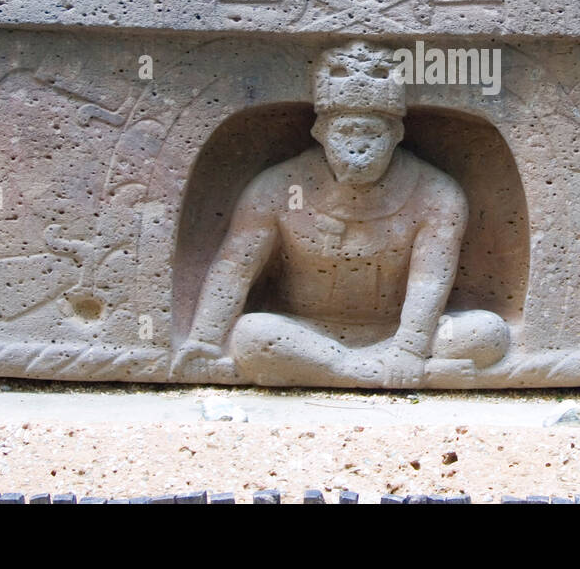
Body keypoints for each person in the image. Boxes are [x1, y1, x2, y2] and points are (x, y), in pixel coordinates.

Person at [172, 40, 507, 386]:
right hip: (304, 332)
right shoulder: (279, 188)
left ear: (396, 135)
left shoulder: (436, 195)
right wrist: (205, 340)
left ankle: (343, 369)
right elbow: (234, 270)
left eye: (371, 133)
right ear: (320, 133)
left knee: (487, 332)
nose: (358, 147)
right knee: (254, 332)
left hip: (400, 336)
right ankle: (361, 371)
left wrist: (409, 348)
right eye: (345, 131)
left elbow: (429, 281)